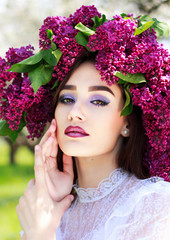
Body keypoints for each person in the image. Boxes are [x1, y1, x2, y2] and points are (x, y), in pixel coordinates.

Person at [0, 5, 170, 240]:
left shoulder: (156, 207)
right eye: (67, 99)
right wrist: (50, 204)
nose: (75, 113)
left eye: (99, 101)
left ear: (127, 124)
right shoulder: (48, 207)